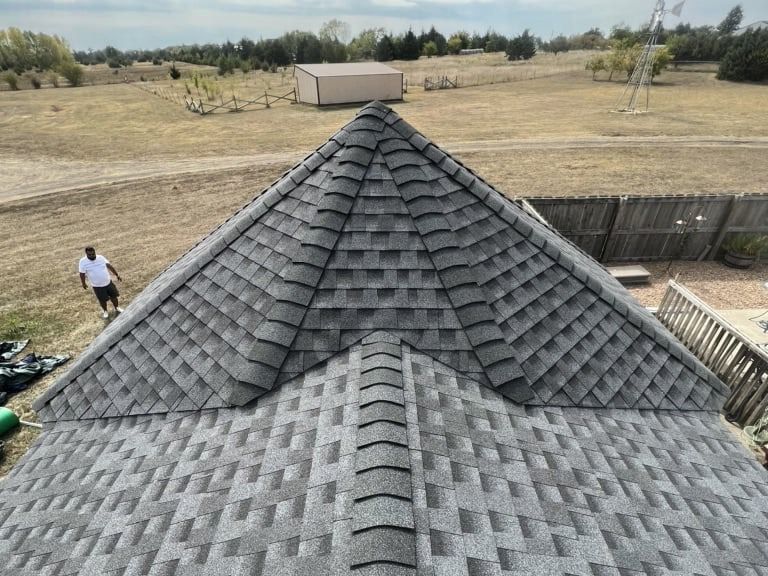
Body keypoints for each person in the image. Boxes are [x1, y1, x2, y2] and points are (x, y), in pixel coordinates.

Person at [79, 246, 123, 319]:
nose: (92, 256)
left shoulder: (100, 258)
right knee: (102, 300)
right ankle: (105, 311)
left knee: (114, 296)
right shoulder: (83, 262)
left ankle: (117, 307)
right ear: (86, 254)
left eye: (93, 254)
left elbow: (109, 266)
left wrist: (117, 275)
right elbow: (82, 274)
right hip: (97, 286)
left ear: (95, 252)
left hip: (108, 282)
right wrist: (83, 283)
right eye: (89, 255)